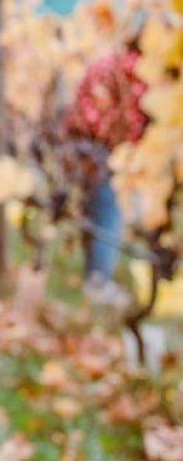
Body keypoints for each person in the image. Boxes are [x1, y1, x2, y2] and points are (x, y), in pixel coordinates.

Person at [62, 42, 146, 290]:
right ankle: (98, 281)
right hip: (107, 149)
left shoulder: (107, 58)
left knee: (94, 212)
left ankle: (93, 276)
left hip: (83, 144)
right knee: (109, 214)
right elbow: (135, 116)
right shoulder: (135, 68)